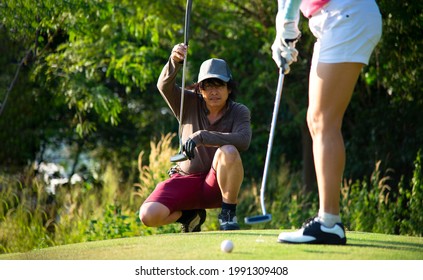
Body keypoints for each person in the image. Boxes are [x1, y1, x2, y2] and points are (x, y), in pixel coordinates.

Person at [271, 0, 382, 244]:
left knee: (324, 120)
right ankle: (328, 219)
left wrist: (288, 23)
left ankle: (329, 222)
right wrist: (283, 33)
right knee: (316, 119)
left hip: (346, 14)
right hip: (332, 21)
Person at [139, 43, 252, 232]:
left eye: (219, 85)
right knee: (148, 215)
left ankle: (228, 215)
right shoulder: (188, 102)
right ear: (200, 89)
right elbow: (164, 86)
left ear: (229, 88)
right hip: (185, 178)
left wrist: (202, 136)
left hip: (216, 185)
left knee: (229, 150)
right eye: (208, 86)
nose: (214, 91)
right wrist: (174, 61)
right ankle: (190, 216)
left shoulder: (239, 111)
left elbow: (243, 140)